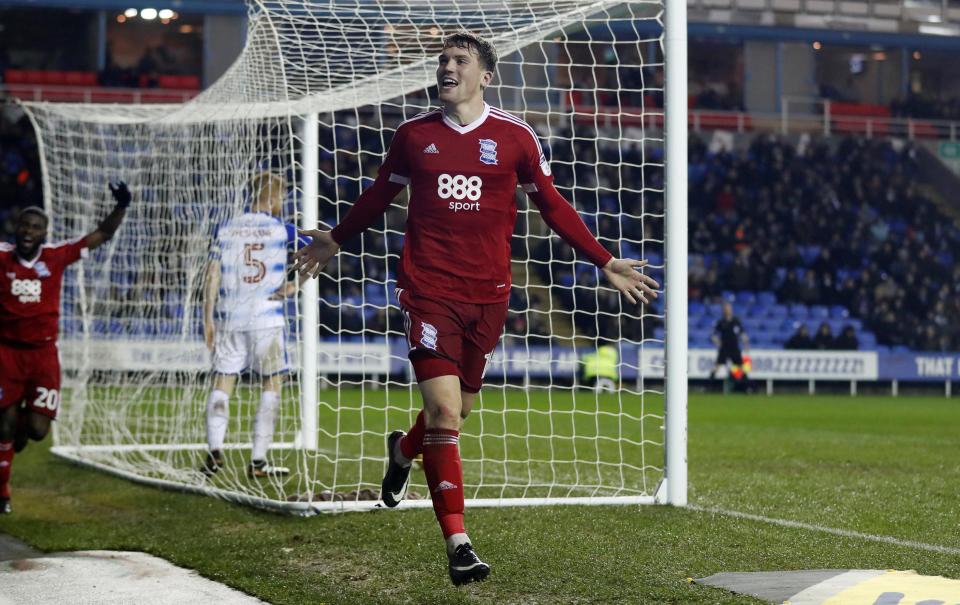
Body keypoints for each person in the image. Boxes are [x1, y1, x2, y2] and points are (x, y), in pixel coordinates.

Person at [292, 31, 658, 586]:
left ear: (485, 76)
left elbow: (553, 205)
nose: (446, 67)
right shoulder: (413, 136)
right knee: (444, 413)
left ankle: (402, 451)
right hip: (427, 290)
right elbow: (377, 196)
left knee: (456, 413)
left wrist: (603, 260)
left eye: (459, 60)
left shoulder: (515, 137)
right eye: (442, 60)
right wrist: (336, 238)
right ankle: (458, 543)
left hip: (489, 296)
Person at [0, 182, 132, 514]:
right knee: (3, 422)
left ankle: (16, 426)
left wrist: (121, 207)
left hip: (43, 355)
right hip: (6, 353)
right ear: (17, 229)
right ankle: (2, 490)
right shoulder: (1, 256)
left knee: (37, 431)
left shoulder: (57, 256)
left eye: (35, 227)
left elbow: (101, 234)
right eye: (24, 225)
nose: (29, 231)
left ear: (44, 233)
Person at [201, 172, 306, 480]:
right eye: (282, 198)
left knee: (223, 382)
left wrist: (208, 318)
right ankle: (258, 461)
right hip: (267, 318)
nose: (281, 204)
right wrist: (295, 285)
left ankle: (215, 449)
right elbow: (318, 251)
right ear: (272, 197)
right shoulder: (282, 229)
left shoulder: (226, 228)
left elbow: (212, 274)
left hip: (231, 316)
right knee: (272, 384)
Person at [709, 302, 749, 380]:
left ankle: (746, 384)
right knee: (718, 365)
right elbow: (713, 335)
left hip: (734, 347)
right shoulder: (721, 322)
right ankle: (709, 383)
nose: (727, 310)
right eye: (726, 309)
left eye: (729, 309)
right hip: (724, 347)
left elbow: (742, 334)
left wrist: (746, 343)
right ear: (723, 310)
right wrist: (717, 342)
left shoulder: (736, 322)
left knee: (741, 366)